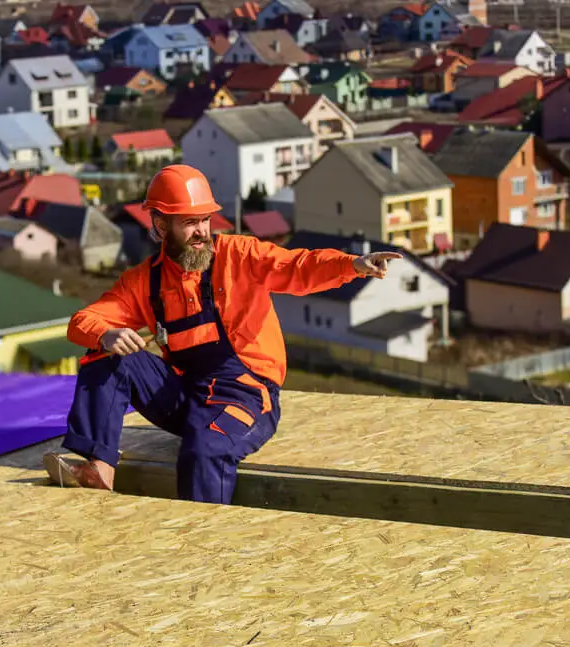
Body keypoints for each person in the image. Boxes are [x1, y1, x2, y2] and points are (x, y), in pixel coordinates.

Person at [53, 164, 401, 504]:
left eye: (205, 220)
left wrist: (350, 265)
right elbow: (83, 320)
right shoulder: (143, 282)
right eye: (190, 223)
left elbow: (296, 266)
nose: (202, 231)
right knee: (104, 354)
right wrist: (106, 334)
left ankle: (203, 539)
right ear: (160, 225)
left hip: (245, 395)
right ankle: (99, 468)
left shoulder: (240, 255)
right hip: (187, 395)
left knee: (205, 449)